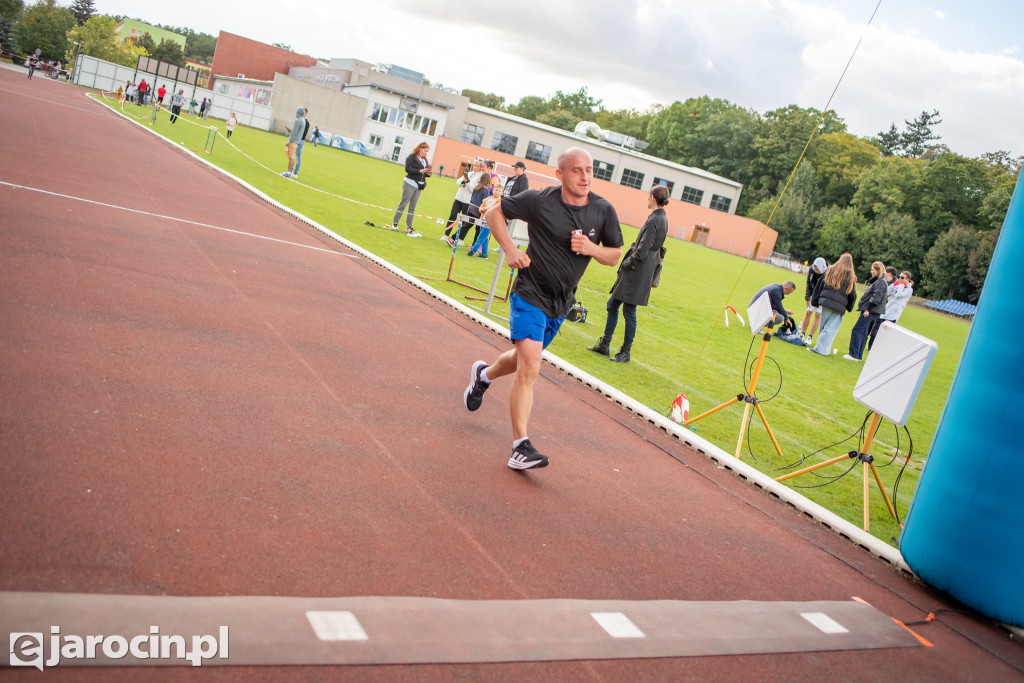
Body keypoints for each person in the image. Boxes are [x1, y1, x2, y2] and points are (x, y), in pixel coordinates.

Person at [463, 147, 623, 470]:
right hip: (529, 292)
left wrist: (592, 248)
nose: (585, 176)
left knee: (524, 360)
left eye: (589, 170)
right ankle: (520, 445)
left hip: (561, 302)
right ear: (560, 174)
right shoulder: (540, 201)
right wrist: (509, 249)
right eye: (577, 170)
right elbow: (494, 211)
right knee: (531, 367)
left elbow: (615, 253)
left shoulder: (603, 211)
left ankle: (483, 375)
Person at [587, 185, 670, 363]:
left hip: (637, 270)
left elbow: (642, 250)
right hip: (640, 268)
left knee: (629, 310)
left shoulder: (655, 220)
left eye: (648, 196)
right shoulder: (660, 218)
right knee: (613, 304)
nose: (647, 199)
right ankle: (605, 344)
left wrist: (626, 263)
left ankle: (625, 351)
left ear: (653, 198)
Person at [807, 253, 858, 356]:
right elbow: (853, 294)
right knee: (830, 328)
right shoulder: (851, 276)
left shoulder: (830, 270)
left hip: (826, 303)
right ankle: (822, 349)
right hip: (840, 307)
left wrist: (815, 301)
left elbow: (819, 285)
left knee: (824, 327)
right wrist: (849, 306)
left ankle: (821, 349)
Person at [844, 261, 887, 361]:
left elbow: (876, 297)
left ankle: (853, 354)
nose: (871, 272)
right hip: (871, 310)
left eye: (873, 270)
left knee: (857, 329)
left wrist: (868, 309)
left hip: (871, 311)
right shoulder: (880, 281)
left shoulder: (880, 281)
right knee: (863, 332)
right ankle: (858, 355)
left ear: (878, 270)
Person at [392, 141, 432, 237]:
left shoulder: (424, 160)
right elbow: (408, 169)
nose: (426, 153)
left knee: (412, 208)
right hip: (409, 183)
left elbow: (425, 173)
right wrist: (419, 171)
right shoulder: (411, 158)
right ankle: (395, 224)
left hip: (419, 186)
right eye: (425, 150)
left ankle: (409, 226)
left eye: (427, 151)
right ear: (419, 149)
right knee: (403, 204)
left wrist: (428, 174)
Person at [868, 270, 914, 350]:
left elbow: (900, 295)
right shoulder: (898, 285)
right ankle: (870, 347)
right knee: (875, 329)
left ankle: (879, 348)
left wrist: (901, 285)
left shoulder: (909, 290)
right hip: (886, 310)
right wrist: (894, 284)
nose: (900, 279)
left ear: (908, 279)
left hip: (893, 314)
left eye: (902, 277)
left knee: (884, 333)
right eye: (900, 277)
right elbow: (887, 291)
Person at [443, 159, 482, 245]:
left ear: (480, 167)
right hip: (458, 198)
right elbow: (458, 182)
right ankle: (446, 234)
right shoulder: (469, 173)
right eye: (474, 165)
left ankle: (460, 239)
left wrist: (468, 183)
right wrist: (463, 181)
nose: (475, 167)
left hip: (468, 201)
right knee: (452, 216)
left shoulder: (480, 177)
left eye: (477, 166)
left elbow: (474, 189)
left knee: (465, 221)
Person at [800, 257, 827, 345]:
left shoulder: (828, 272)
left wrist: (821, 300)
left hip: (822, 296)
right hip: (813, 294)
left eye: (817, 269)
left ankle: (810, 336)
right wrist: (807, 298)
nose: (816, 271)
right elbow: (808, 283)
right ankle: (802, 334)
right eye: (815, 268)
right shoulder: (811, 270)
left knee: (818, 314)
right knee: (808, 312)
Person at [469, 188, 502, 258]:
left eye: (499, 191)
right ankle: (484, 254)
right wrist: (482, 209)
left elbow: (497, 211)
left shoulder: (500, 202)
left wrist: (488, 208)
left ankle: (473, 251)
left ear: (501, 193)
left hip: (491, 222)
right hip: (483, 220)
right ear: (493, 190)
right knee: (485, 238)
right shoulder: (488, 198)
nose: (497, 192)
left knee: (481, 237)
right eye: (496, 190)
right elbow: (481, 207)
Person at [461, 173, 492, 248]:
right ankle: (453, 238)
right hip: (478, 211)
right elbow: (484, 202)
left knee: (468, 225)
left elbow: (472, 198)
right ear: (488, 180)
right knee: (476, 229)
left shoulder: (477, 187)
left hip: (470, 208)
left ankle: (474, 245)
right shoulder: (486, 190)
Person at [280, 107, 307, 179]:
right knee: (292, 156)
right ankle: (288, 172)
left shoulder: (298, 121)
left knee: (291, 157)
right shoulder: (303, 121)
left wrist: (289, 142)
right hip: (297, 141)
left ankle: (288, 173)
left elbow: (294, 133)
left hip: (293, 141)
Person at [291, 109, 311, 178]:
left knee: (297, 157)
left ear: (306, 113)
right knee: (292, 155)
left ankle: (295, 173)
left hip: (300, 140)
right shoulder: (301, 121)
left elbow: (302, 133)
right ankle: (290, 171)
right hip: (297, 140)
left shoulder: (306, 122)